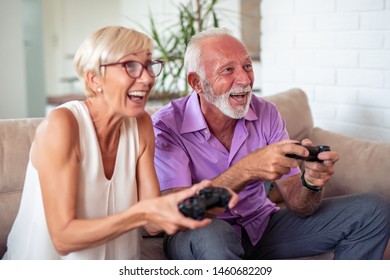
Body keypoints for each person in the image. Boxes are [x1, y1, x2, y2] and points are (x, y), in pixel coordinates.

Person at [152, 27, 390, 260]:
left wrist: (311, 183)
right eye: (228, 70)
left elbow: (299, 204)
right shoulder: (167, 126)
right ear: (196, 82)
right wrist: (247, 170)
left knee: (372, 210)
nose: (245, 79)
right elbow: (181, 213)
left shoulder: (266, 112)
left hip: (260, 226)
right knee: (215, 235)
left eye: (247, 66)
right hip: (200, 232)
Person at [2, 26, 237, 260]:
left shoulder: (141, 124)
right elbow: (63, 239)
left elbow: (154, 223)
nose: (146, 78)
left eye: (148, 65)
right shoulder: (63, 125)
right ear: (94, 78)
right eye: (131, 66)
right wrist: (141, 213)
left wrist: (196, 204)